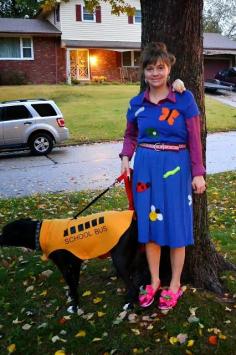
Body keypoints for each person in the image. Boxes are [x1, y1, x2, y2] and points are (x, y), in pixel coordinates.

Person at [120, 42, 206, 310]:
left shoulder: (184, 98)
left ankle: (175, 284)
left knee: (177, 227)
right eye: (149, 68)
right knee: (151, 227)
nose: (155, 73)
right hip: (145, 169)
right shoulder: (137, 103)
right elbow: (131, 134)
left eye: (160, 67)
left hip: (176, 169)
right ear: (143, 72)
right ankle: (155, 280)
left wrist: (198, 173)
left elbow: (194, 138)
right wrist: (125, 156)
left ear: (169, 70)